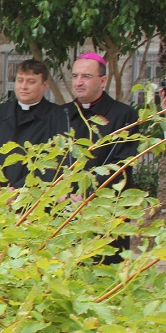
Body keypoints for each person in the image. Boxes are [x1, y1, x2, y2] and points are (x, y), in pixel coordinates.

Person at [62, 52, 139, 261]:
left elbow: (121, 164)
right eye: (75, 76)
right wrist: (64, 195)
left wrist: (87, 194)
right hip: (64, 208)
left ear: (102, 81)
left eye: (86, 76)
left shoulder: (124, 115)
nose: (78, 82)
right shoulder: (62, 113)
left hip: (104, 209)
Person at [0, 58, 64, 187]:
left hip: (32, 195)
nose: (23, 86)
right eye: (20, 80)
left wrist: (18, 190)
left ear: (44, 85)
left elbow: (52, 160)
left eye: (31, 82)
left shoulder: (57, 116)